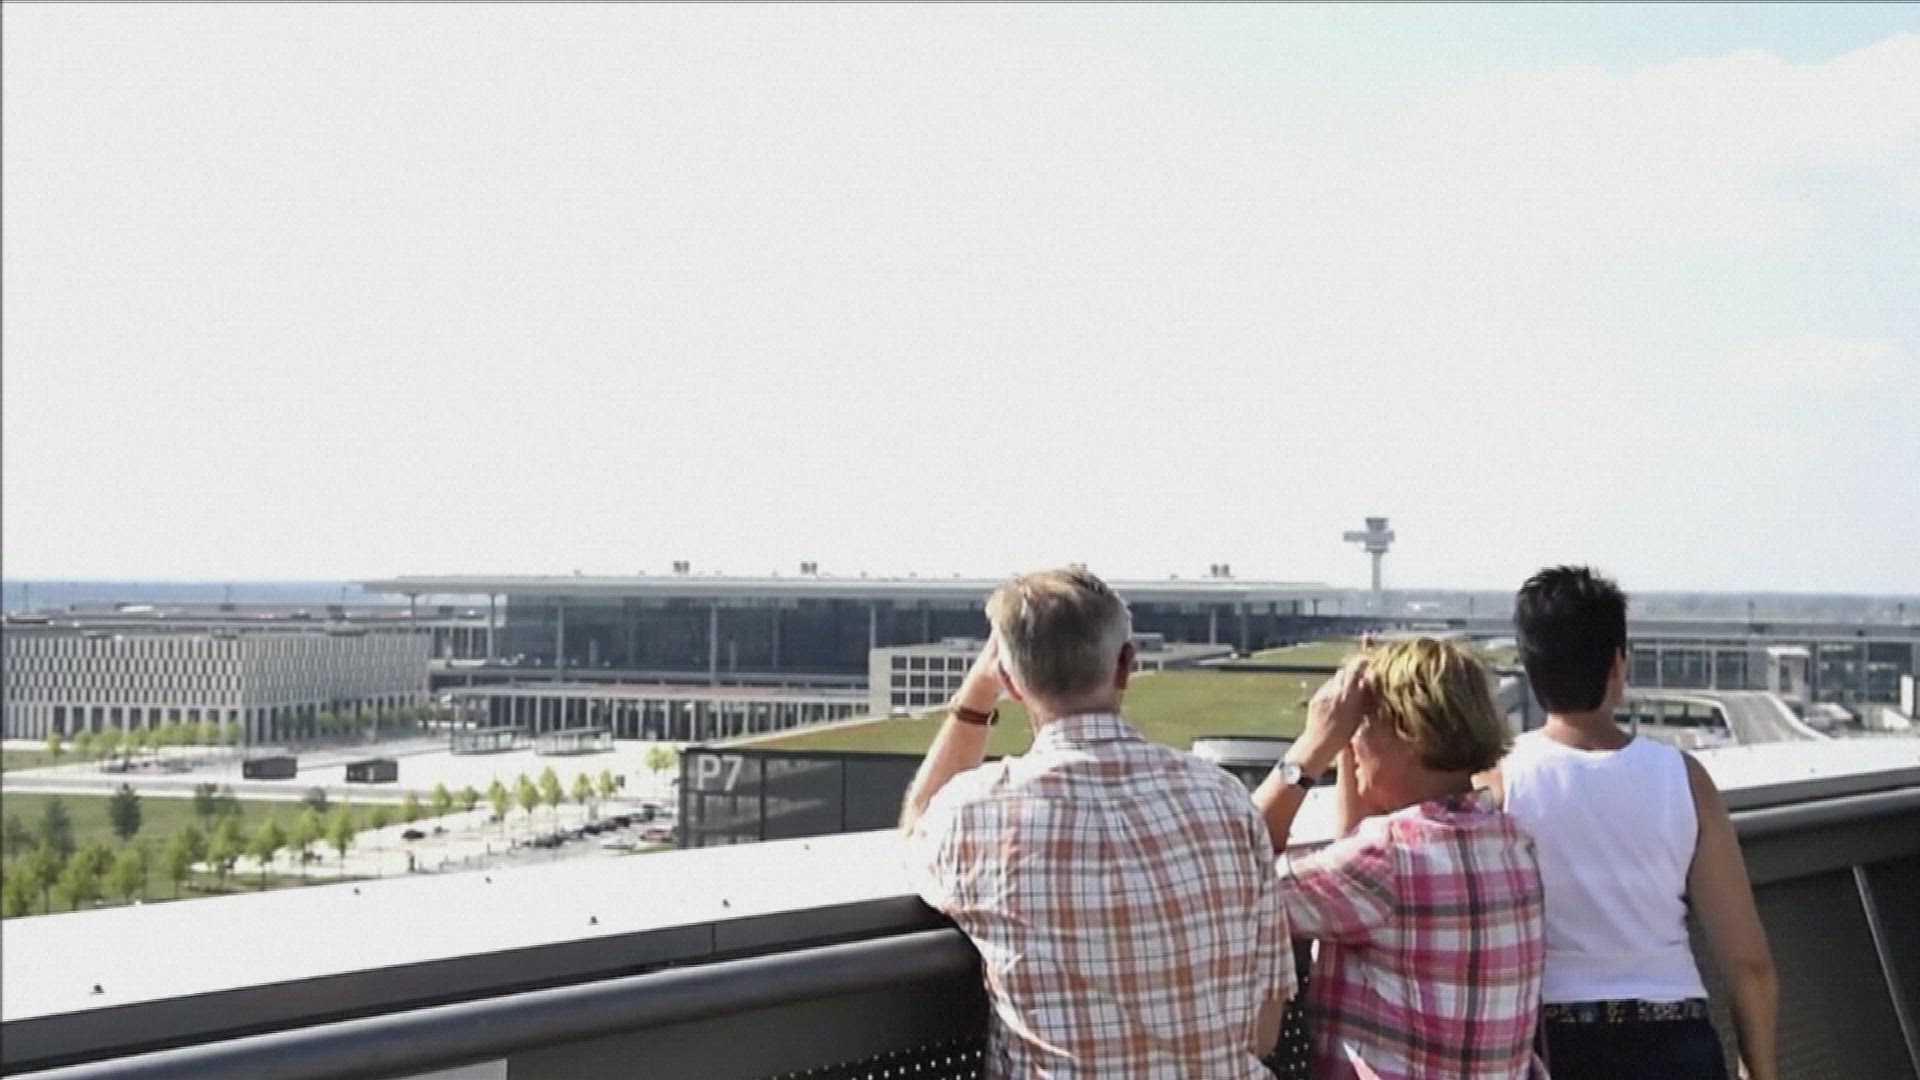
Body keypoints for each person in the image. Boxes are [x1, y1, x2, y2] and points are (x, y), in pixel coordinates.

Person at [902, 567, 1291, 1079]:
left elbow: (917, 830)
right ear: (1126, 665)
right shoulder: (1224, 797)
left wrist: (975, 701)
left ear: (1010, 682)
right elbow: (1263, 1030)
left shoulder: (974, 813)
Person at [1484, 567, 1777, 1080]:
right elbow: (1749, 964)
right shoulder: (1684, 779)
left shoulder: (1499, 781)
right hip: (1676, 1039)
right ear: (1617, 664)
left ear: (1530, 669)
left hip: (1554, 1040)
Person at [1252, 639, 1545, 1080]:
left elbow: (1231, 873)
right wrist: (1352, 752)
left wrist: (1312, 747)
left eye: (1361, 729)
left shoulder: (1386, 862)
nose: (1353, 744)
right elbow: (1359, 856)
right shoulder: (1510, 843)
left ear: (1406, 732)